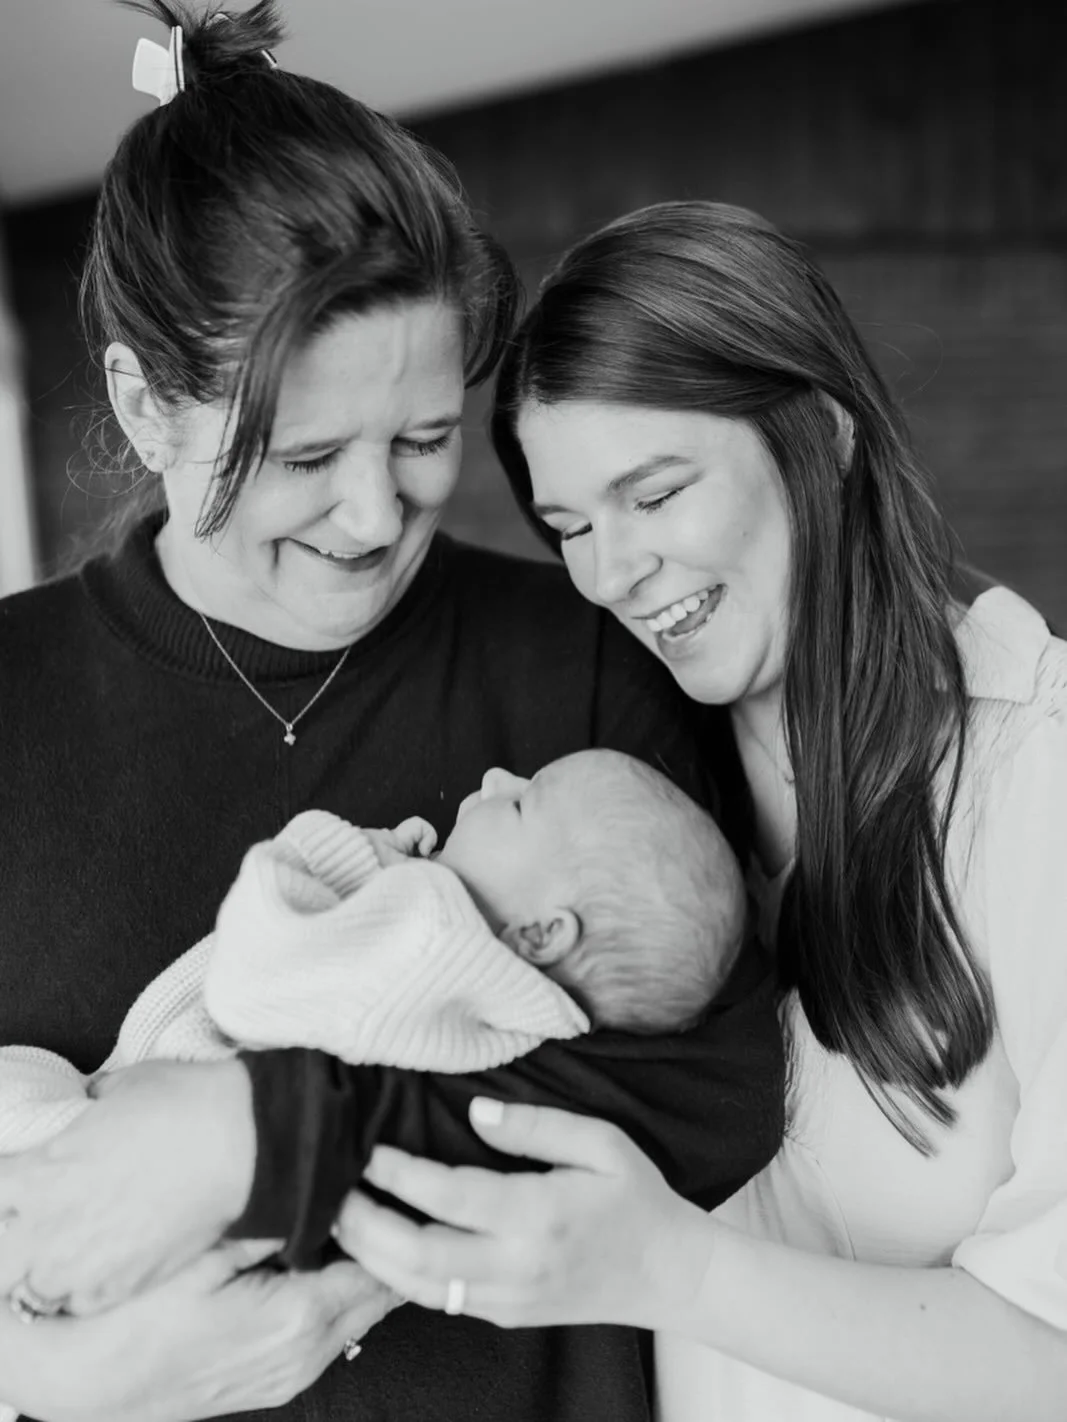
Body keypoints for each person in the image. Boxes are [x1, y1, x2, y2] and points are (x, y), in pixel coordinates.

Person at [0, 4, 783, 1418]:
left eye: (421, 441)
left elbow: (716, 1089)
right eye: (303, 455)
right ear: (144, 403)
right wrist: (39, 1364)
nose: (373, 516)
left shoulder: (580, 664)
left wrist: (269, 1141)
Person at [322, 201, 1067, 1421]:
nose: (610, 576)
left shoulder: (1029, 778)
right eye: (568, 526)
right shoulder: (619, 768)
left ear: (818, 438)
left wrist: (668, 1267)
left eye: (655, 495)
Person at [0, 750, 745, 1156]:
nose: (493, 777)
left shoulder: (430, 940)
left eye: (520, 802)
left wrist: (347, 854)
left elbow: (252, 983)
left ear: (541, 934)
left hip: (130, 1138)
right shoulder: (493, 1006)